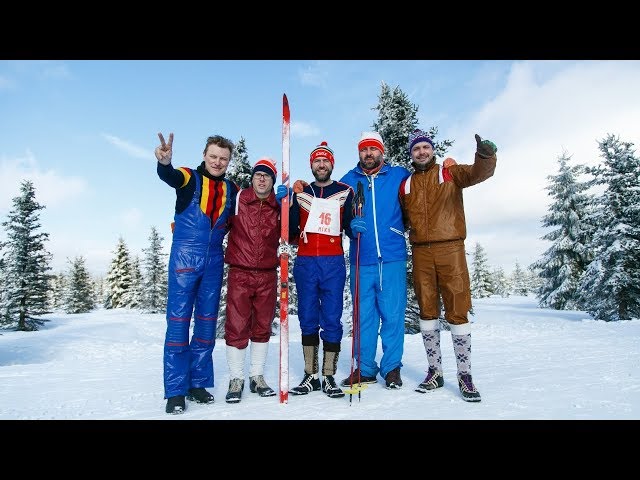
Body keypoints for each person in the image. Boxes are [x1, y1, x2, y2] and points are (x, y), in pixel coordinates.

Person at [399, 129, 497, 402]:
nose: (421, 152)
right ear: (411, 154)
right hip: (420, 253)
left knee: (457, 309)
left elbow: (480, 172)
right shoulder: (406, 185)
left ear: (432, 150)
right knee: (427, 310)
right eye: (416, 148)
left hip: (451, 248)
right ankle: (435, 371)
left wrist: (485, 155)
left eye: (425, 147)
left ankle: (464, 375)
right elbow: (402, 219)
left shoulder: (450, 173)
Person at [155, 132, 239, 414]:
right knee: (178, 323)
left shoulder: (232, 188)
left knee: (206, 324)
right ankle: (176, 390)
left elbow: (252, 205)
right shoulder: (189, 178)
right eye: (213, 156)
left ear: (229, 161)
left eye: (223, 158)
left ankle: (198, 383)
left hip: (214, 259)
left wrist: (283, 192)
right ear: (204, 155)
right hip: (184, 258)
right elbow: (170, 177)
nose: (217, 162)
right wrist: (165, 164)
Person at [339, 132, 411, 390]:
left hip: (392, 256)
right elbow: (332, 211)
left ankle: (392, 368)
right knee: (363, 317)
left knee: (392, 315)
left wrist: (445, 168)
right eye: (364, 150)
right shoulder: (347, 182)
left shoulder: (399, 176)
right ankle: (366, 368)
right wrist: (349, 225)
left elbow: (423, 189)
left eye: (373, 149)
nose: (368, 154)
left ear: (382, 151)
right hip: (362, 257)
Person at [287, 141, 355, 399]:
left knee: (331, 318)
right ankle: (310, 374)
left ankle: (328, 375)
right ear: (311, 165)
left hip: (333, 262)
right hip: (305, 261)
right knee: (306, 317)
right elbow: (291, 228)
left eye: (325, 160)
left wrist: (356, 224)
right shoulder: (302, 192)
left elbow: (350, 225)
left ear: (332, 165)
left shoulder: (344, 191)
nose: (321, 164)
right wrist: (289, 201)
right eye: (317, 161)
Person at [223, 157, 288, 403]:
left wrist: (288, 207)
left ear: (272, 181)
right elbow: (220, 222)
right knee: (237, 326)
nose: (262, 179)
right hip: (240, 272)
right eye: (258, 174)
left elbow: (290, 233)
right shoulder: (239, 200)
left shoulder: (278, 205)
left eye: (267, 175)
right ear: (252, 178)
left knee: (262, 326)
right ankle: (236, 378)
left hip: (267, 274)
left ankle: (256, 376)